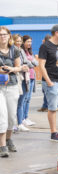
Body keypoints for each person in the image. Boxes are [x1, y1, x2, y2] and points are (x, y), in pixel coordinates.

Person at [0, 26, 22, 157]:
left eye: (4, 34)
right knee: (1, 115)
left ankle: (8, 139)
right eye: (0, 34)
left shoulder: (15, 50)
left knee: (12, 117)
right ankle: (2, 145)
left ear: (9, 36)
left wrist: (11, 69)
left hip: (12, 85)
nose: (2, 36)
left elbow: (19, 67)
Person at [12, 34, 30, 132]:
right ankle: (16, 123)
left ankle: (20, 122)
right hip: (17, 78)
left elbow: (27, 62)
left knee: (21, 101)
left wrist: (25, 65)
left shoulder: (21, 50)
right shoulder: (13, 50)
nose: (19, 43)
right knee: (17, 102)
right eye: (17, 41)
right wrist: (21, 67)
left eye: (20, 41)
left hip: (23, 78)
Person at [20, 35, 38, 127]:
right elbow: (27, 62)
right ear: (23, 42)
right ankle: (22, 118)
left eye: (30, 42)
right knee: (24, 99)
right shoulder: (22, 51)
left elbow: (36, 63)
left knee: (28, 99)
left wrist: (31, 62)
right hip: (25, 77)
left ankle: (26, 117)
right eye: (28, 42)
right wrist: (32, 63)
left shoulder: (29, 51)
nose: (30, 43)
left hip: (31, 77)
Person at [37, 34, 51, 112]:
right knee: (45, 90)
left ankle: (47, 106)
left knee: (48, 90)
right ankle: (45, 105)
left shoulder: (47, 48)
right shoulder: (44, 48)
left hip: (49, 72)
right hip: (46, 72)